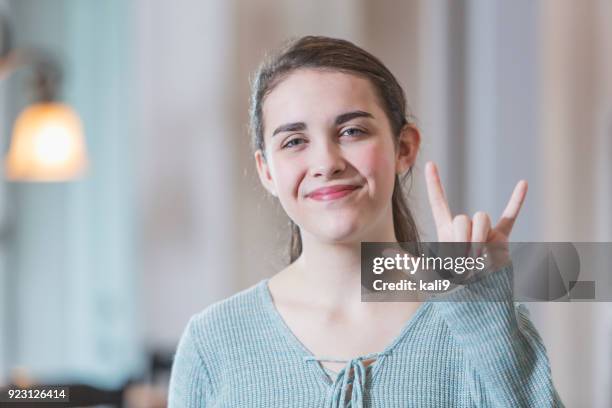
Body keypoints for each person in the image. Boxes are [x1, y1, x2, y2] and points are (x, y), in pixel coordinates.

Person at [168, 35, 564, 407]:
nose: (325, 163)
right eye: (294, 141)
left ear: (404, 148)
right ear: (267, 171)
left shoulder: (482, 321)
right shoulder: (213, 343)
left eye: (352, 131)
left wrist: (484, 313)